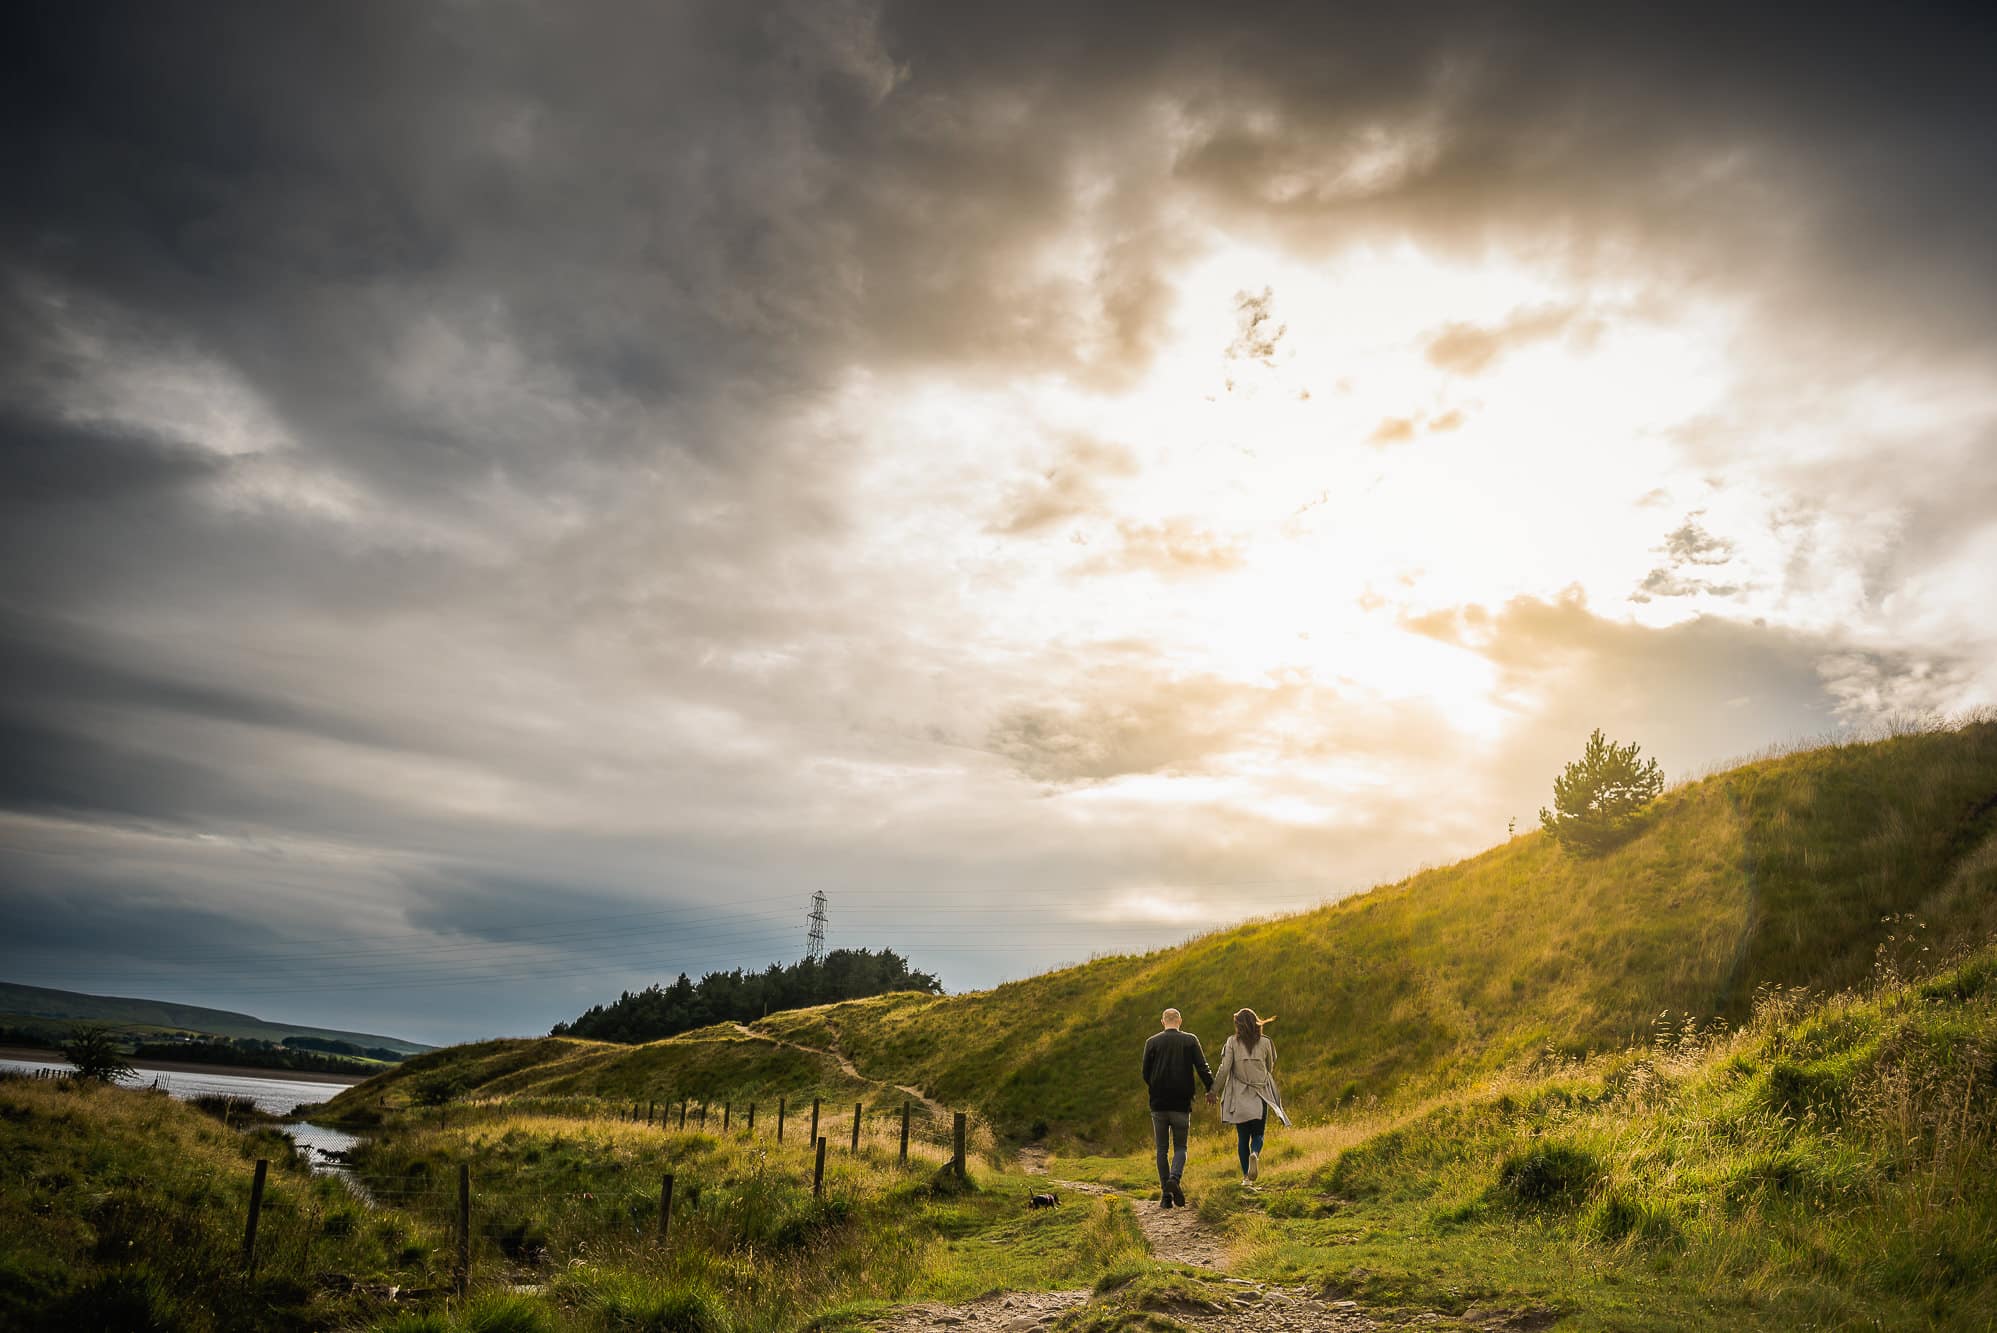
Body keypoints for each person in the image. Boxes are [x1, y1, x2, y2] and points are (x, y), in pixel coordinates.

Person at [1141, 1007, 1213, 1208]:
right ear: (1180, 1020)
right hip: (1181, 1103)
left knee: (1161, 1149)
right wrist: (1211, 1088)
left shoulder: (1151, 1042)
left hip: (1158, 1103)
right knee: (1181, 1147)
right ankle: (1175, 1177)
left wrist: (1156, 1087)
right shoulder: (1190, 1040)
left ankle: (1166, 1197)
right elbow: (1202, 1067)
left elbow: (1145, 1072)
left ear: (1162, 1022)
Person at [1212, 1007, 1285, 1187]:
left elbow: (1224, 1068)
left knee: (1242, 1138)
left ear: (1238, 1025)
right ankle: (1255, 1153)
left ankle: (1246, 1178)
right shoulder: (1267, 1042)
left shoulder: (1231, 1042)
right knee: (1258, 1133)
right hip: (1260, 1094)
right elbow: (1270, 1068)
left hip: (1239, 1096)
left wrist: (1213, 1090)